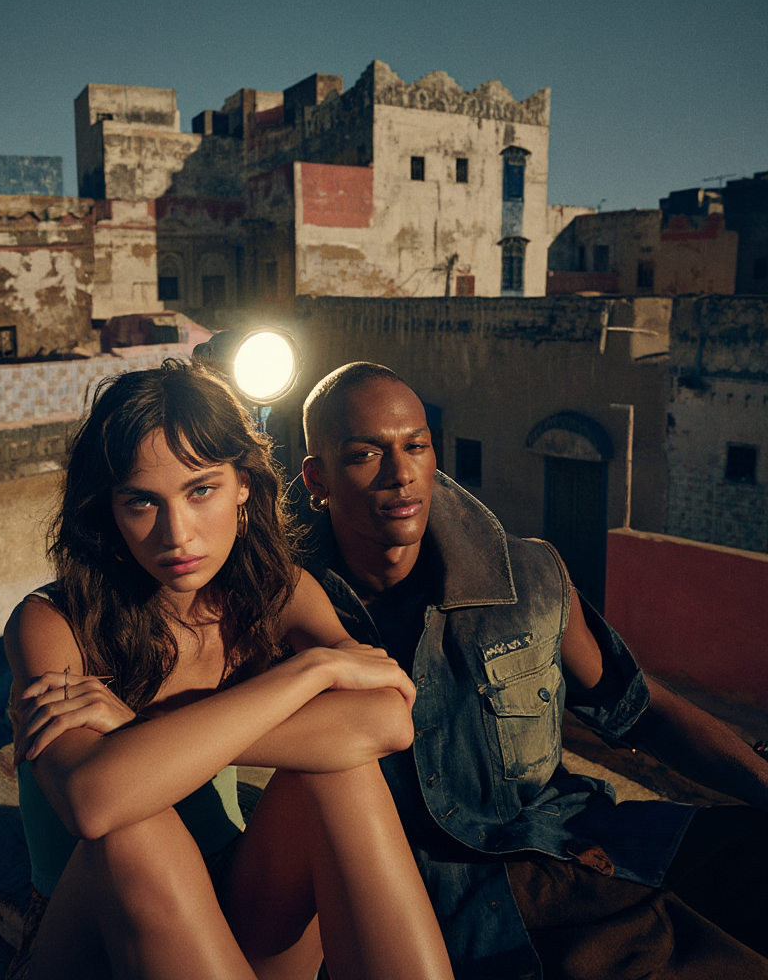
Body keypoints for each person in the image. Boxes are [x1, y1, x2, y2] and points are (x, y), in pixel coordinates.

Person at [296, 361, 768, 980]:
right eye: (366, 454)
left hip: (584, 836)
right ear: (317, 478)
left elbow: (638, 708)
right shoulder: (279, 609)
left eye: (417, 445)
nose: (402, 472)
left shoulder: (528, 578)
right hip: (463, 899)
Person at [3, 359, 455, 980]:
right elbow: (92, 800)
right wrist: (308, 673)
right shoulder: (54, 622)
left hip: (237, 894)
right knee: (136, 830)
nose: (177, 534)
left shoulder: (275, 591)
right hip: (98, 924)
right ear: (107, 508)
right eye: (141, 501)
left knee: (340, 774)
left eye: (201, 490)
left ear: (243, 484)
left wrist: (143, 730)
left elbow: (386, 720)